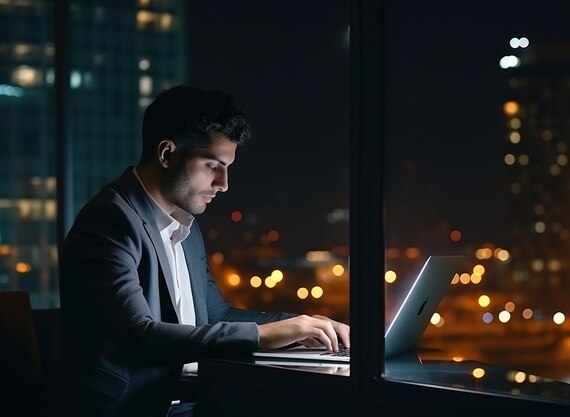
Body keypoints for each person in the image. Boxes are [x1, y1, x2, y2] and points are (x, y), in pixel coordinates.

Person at [57, 85, 350, 417]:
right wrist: (260, 336)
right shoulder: (110, 221)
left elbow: (217, 317)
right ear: (167, 154)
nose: (224, 184)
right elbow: (137, 334)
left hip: (188, 400)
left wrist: (301, 324)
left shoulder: (186, 225)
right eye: (213, 165)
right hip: (127, 407)